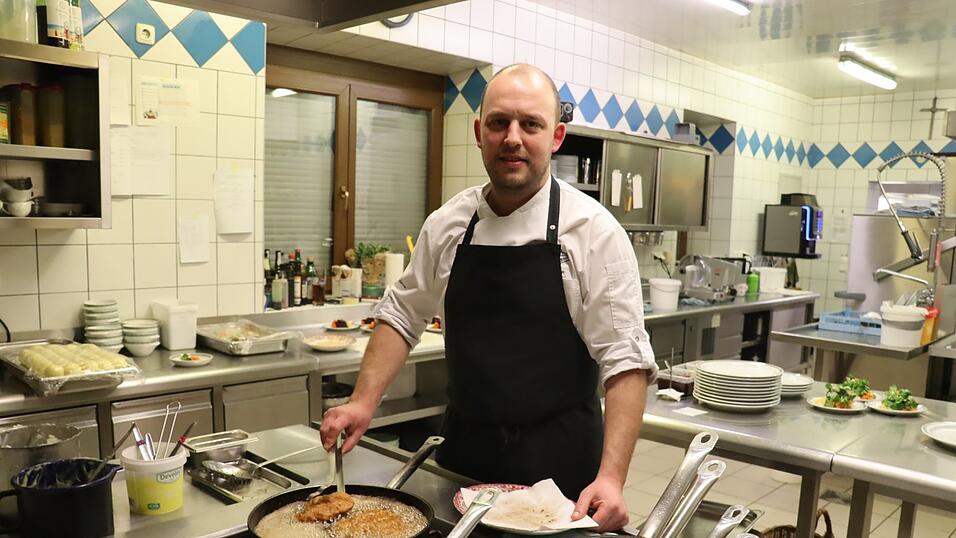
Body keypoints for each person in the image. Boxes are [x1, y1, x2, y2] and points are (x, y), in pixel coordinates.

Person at [320, 63, 657, 532]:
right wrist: (361, 403)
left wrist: (612, 477)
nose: (512, 137)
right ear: (480, 132)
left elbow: (626, 360)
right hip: (464, 457)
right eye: (499, 123)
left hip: (560, 470)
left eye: (530, 124)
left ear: (556, 136)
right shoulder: (449, 225)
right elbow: (402, 314)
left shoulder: (593, 232)